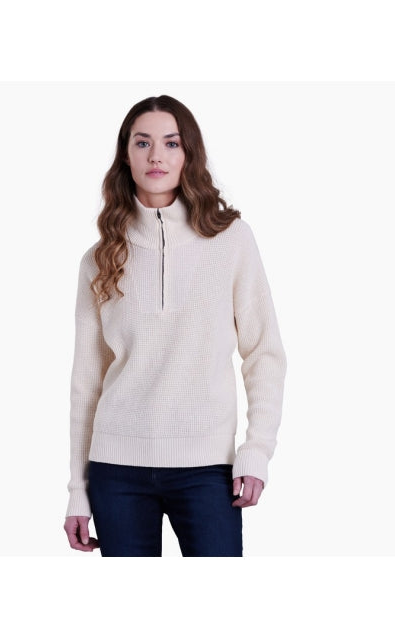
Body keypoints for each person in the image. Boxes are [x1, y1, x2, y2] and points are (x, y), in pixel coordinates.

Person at [63, 95, 287, 557]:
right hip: (115, 470)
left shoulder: (230, 240)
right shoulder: (100, 258)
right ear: (126, 154)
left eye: (171, 143)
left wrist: (257, 451)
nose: (156, 156)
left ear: (189, 154)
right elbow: (86, 383)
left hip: (208, 469)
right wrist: (78, 491)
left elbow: (264, 352)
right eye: (142, 142)